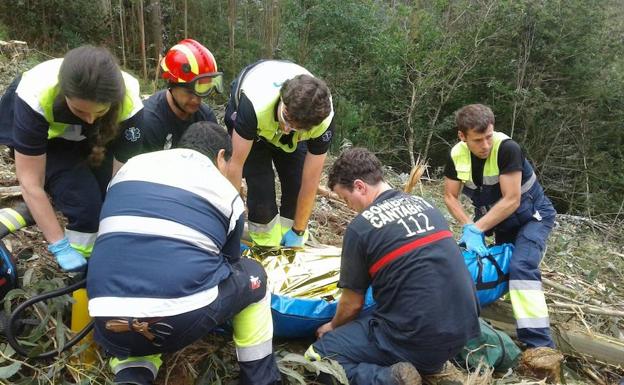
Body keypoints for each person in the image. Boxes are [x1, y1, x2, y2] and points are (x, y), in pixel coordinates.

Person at [87, 121, 281, 385]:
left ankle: (133, 375)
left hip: (107, 318)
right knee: (253, 276)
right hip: (175, 320)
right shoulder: (225, 191)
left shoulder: (131, 167)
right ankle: (261, 379)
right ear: (220, 157)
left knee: (136, 291)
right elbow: (228, 263)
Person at [305, 147, 480, 385]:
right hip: (463, 332)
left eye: (346, 198)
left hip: (416, 340)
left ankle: (388, 379)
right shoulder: (426, 205)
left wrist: (333, 326)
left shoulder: (361, 227)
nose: (348, 206)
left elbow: (352, 305)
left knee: (318, 356)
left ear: (359, 186)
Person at [443, 104, 562, 380]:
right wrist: (470, 228)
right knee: (497, 267)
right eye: (477, 140)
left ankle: (540, 344)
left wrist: (479, 228)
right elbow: (449, 196)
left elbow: (512, 199)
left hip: (532, 217)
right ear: (462, 136)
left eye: (489, 136)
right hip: (498, 220)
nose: (485, 145)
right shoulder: (457, 155)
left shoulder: (508, 149)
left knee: (521, 267)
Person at [0, 45, 142, 271]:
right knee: (85, 205)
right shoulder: (36, 95)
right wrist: (59, 245)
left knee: (104, 192)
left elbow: (122, 175)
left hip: (92, 137)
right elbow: (30, 182)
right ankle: (81, 271)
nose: (89, 119)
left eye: (99, 111)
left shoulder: (129, 101)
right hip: (50, 140)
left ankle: (101, 254)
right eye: (80, 111)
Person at [224, 60, 334, 248]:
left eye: (295, 128)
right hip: (257, 126)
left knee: (296, 181)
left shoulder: (322, 121)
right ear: (282, 100)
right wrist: (231, 227)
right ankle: (265, 244)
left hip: (295, 126)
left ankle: (289, 242)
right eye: (286, 119)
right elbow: (235, 166)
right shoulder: (253, 104)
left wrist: (298, 230)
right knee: (261, 186)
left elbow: (310, 180)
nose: (286, 129)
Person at [119, 39, 221, 160]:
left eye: (203, 90)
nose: (196, 100)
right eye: (189, 92)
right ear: (171, 85)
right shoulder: (148, 123)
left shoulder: (206, 117)